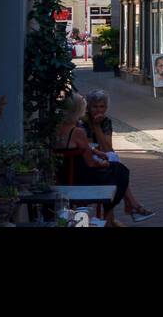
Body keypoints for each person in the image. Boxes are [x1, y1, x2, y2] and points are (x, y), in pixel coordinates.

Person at [53, 91, 130, 227]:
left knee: (116, 167)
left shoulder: (58, 128)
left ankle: (115, 213)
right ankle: (108, 216)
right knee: (120, 171)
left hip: (63, 173)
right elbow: (91, 163)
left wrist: (95, 151)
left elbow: (84, 149)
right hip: (80, 177)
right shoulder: (77, 131)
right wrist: (105, 164)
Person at [84, 89, 154, 222]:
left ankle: (122, 212)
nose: (98, 110)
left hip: (101, 161)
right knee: (117, 169)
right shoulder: (83, 122)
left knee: (114, 164)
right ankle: (131, 206)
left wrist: (97, 127)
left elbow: (107, 149)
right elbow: (88, 149)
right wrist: (94, 127)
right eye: (94, 106)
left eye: (102, 106)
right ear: (88, 107)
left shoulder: (105, 121)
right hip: (87, 164)